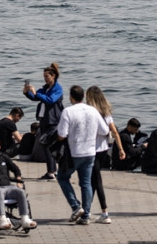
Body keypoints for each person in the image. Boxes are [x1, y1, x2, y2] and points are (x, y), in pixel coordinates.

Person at [55, 84, 108, 226]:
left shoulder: (68, 111)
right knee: (86, 183)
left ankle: (76, 206)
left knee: (62, 177)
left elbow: (62, 134)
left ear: (71, 97)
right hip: (90, 152)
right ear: (83, 96)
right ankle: (86, 215)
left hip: (74, 153)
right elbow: (104, 130)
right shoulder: (93, 111)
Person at [85, 85, 126, 224]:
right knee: (93, 180)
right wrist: (120, 148)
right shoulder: (106, 112)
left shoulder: (90, 112)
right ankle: (87, 209)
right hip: (103, 150)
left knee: (95, 181)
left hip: (92, 150)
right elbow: (114, 131)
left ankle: (104, 212)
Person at [22, 62, 63, 180]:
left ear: (53, 76)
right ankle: (53, 171)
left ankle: (52, 172)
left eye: (47, 76)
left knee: (48, 145)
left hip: (53, 121)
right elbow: (36, 97)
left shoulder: (57, 89)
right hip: (44, 120)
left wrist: (36, 94)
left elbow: (51, 100)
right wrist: (27, 92)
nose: (45, 79)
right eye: (44, 76)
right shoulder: (45, 88)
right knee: (48, 146)